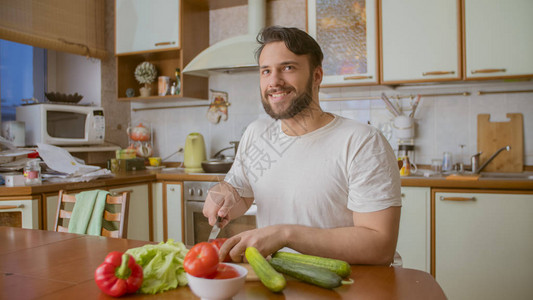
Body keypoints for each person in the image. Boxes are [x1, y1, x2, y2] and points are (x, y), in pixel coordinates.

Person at [203, 26, 401, 265]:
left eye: (287, 68)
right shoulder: (257, 133)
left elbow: (380, 247)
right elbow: (241, 193)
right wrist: (223, 194)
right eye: (266, 71)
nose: (274, 81)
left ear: (317, 76)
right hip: (274, 279)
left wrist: (285, 235)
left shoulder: (362, 142)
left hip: (344, 283)